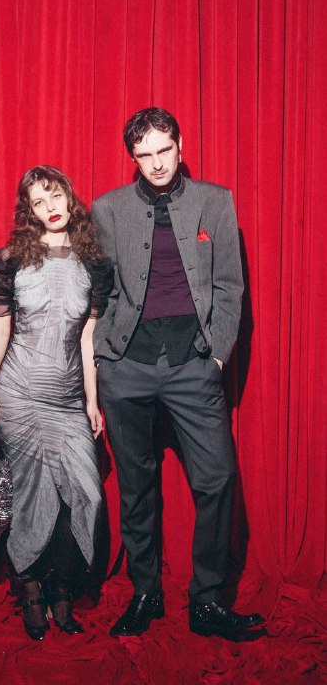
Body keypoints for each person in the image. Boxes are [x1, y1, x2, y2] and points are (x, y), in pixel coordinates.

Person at [92, 107, 264, 640]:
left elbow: (230, 287)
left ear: (180, 145)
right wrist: (103, 360)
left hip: (193, 365)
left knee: (217, 479)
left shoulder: (215, 200)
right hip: (126, 366)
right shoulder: (108, 209)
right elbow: (101, 291)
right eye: (144, 155)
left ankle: (206, 600)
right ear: (133, 158)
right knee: (136, 487)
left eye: (164, 150)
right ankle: (145, 593)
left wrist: (216, 358)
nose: (157, 163)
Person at [0, 165, 112, 641]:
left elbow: (89, 339)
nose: (50, 207)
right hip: (19, 395)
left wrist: (92, 402)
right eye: (38, 202)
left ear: (69, 197)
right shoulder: (11, 261)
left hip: (68, 400)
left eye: (54, 196)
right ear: (29, 212)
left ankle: (62, 582)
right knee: (33, 497)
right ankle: (34, 588)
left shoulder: (92, 265)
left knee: (87, 494)